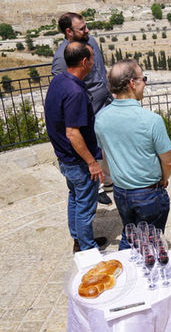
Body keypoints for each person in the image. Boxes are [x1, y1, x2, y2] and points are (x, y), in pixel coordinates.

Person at [94, 59, 171, 250]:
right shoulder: (152, 120)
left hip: (121, 192)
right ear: (132, 83)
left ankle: (126, 272)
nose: (145, 83)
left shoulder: (101, 118)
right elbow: (168, 161)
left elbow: (107, 152)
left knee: (129, 235)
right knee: (151, 244)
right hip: (148, 193)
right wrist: (164, 179)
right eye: (143, 78)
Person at [44, 42, 107, 253]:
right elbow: (73, 132)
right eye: (92, 59)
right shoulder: (76, 92)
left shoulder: (59, 81)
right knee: (85, 207)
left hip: (65, 158)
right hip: (78, 161)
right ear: (84, 62)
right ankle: (87, 249)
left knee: (75, 198)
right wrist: (92, 163)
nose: (93, 63)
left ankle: (78, 239)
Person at [52, 12, 114, 206]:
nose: (87, 30)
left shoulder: (91, 41)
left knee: (108, 142)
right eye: (82, 28)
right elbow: (63, 82)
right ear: (69, 32)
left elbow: (101, 69)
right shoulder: (62, 56)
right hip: (88, 106)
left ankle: (111, 178)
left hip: (105, 100)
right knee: (91, 143)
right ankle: (99, 188)